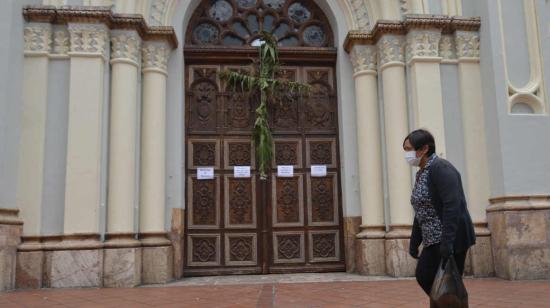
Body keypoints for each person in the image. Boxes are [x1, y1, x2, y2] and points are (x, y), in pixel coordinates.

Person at [403, 129, 476, 298]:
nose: (407, 154)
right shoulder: (422, 172)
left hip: (449, 237)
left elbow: (453, 206)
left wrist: (447, 243)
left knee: (445, 282)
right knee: (434, 280)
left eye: (409, 149)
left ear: (424, 149)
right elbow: (421, 209)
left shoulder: (441, 168)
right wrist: (415, 241)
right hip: (432, 239)